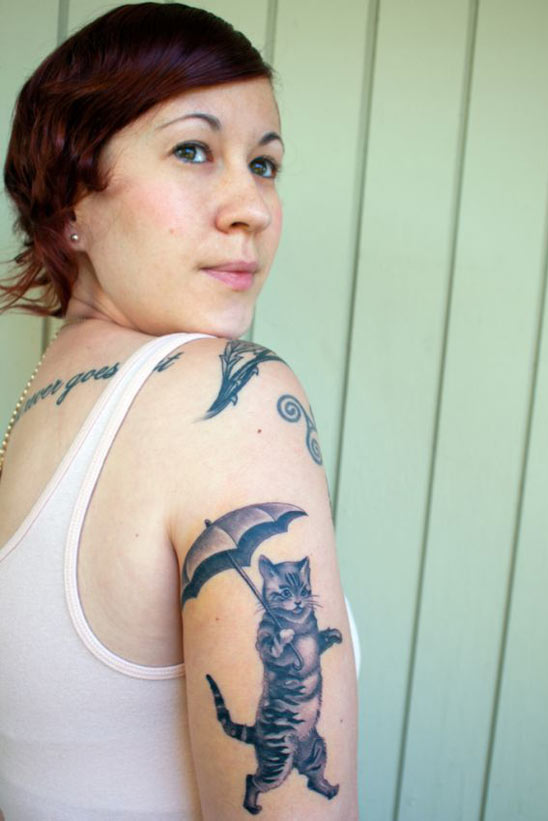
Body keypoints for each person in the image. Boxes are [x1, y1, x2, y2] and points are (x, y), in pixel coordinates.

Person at [0, 3, 359, 819]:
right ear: (71, 202)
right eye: (193, 150)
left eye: (264, 164)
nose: (251, 207)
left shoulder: (36, 403)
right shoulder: (229, 398)